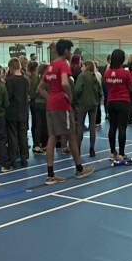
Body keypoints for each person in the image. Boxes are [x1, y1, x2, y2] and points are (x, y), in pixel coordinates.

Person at [37, 39, 94, 184]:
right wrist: (69, 95)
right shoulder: (63, 65)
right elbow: (64, 82)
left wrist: (51, 98)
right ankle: (79, 169)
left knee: (52, 137)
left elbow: (40, 88)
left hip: (51, 105)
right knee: (71, 136)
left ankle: (50, 175)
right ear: (67, 51)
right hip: (62, 106)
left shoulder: (50, 66)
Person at [104, 49, 132, 160]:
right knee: (122, 128)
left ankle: (112, 152)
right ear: (122, 59)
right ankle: (121, 153)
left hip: (111, 102)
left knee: (112, 127)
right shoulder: (125, 73)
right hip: (123, 102)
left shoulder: (107, 73)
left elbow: (107, 86)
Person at [5, 58, 30, 167]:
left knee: (12, 136)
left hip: (12, 111)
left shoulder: (10, 80)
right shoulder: (25, 79)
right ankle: (24, 158)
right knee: (23, 135)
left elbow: (8, 96)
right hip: (23, 111)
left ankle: (13, 158)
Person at [74, 60, 102, 156]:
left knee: (80, 126)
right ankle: (92, 149)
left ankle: (78, 149)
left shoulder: (82, 76)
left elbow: (77, 90)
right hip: (93, 105)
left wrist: (75, 100)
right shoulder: (95, 76)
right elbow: (100, 92)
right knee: (92, 127)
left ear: (86, 66)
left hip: (82, 104)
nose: (81, 67)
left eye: (82, 66)